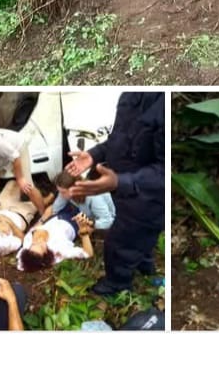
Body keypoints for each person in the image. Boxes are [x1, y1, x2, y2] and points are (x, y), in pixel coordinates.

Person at [67, 92, 164, 295]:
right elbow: (118, 139)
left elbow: (164, 172)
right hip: (123, 188)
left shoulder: (162, 107)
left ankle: (117, 284)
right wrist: (93, 155)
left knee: (119, 242)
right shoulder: (129, 96)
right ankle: (144, 264)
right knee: (140, 237)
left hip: (148, 195)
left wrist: (120, 182)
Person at [17, 210, 94, 272]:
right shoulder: (60, 250)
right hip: (74, 221)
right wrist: (84, 233)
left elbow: (21, 265)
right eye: (41, 246)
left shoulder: (27, 244)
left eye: (34, 244)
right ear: (47, 252)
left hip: (56, 215)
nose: (39, 241)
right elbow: (88, 254)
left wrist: (44, 218)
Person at [49, 170, 115, 231]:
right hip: (84, 211)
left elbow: (108, 221)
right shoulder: (65, 192)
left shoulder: (94, 197)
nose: (60, 195)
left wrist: (91, 223)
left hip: (105, 219)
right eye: (59, 191)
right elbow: (55, 209)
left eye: (63, 192)